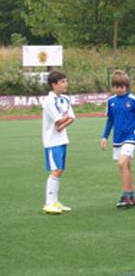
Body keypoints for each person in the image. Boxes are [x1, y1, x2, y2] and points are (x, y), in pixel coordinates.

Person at [100, 70, 135, 208]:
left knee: (121, 163)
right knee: (125, 167)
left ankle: (125, 195)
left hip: (131, 137)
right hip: (118, 138)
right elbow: (110, 120)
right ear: (113, 87)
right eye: (117, 87)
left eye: (122, 86)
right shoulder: (111, 101)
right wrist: (105, 137)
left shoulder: (134, 100)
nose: (120, 89)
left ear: (127, 86)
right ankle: (132, 196)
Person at [41, 70, 76, 214]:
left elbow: (72, 117)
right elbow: (59, 119)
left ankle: (55, 201)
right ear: (54, 84)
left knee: (60, 170)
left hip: (62, 139)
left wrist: (62, 124)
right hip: (52, 141)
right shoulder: (49, 101)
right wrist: (63, 120)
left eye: (65, 81)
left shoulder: (65, 99)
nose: (65, 84)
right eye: (62, 82)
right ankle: (49, 202)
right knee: (55, 170)